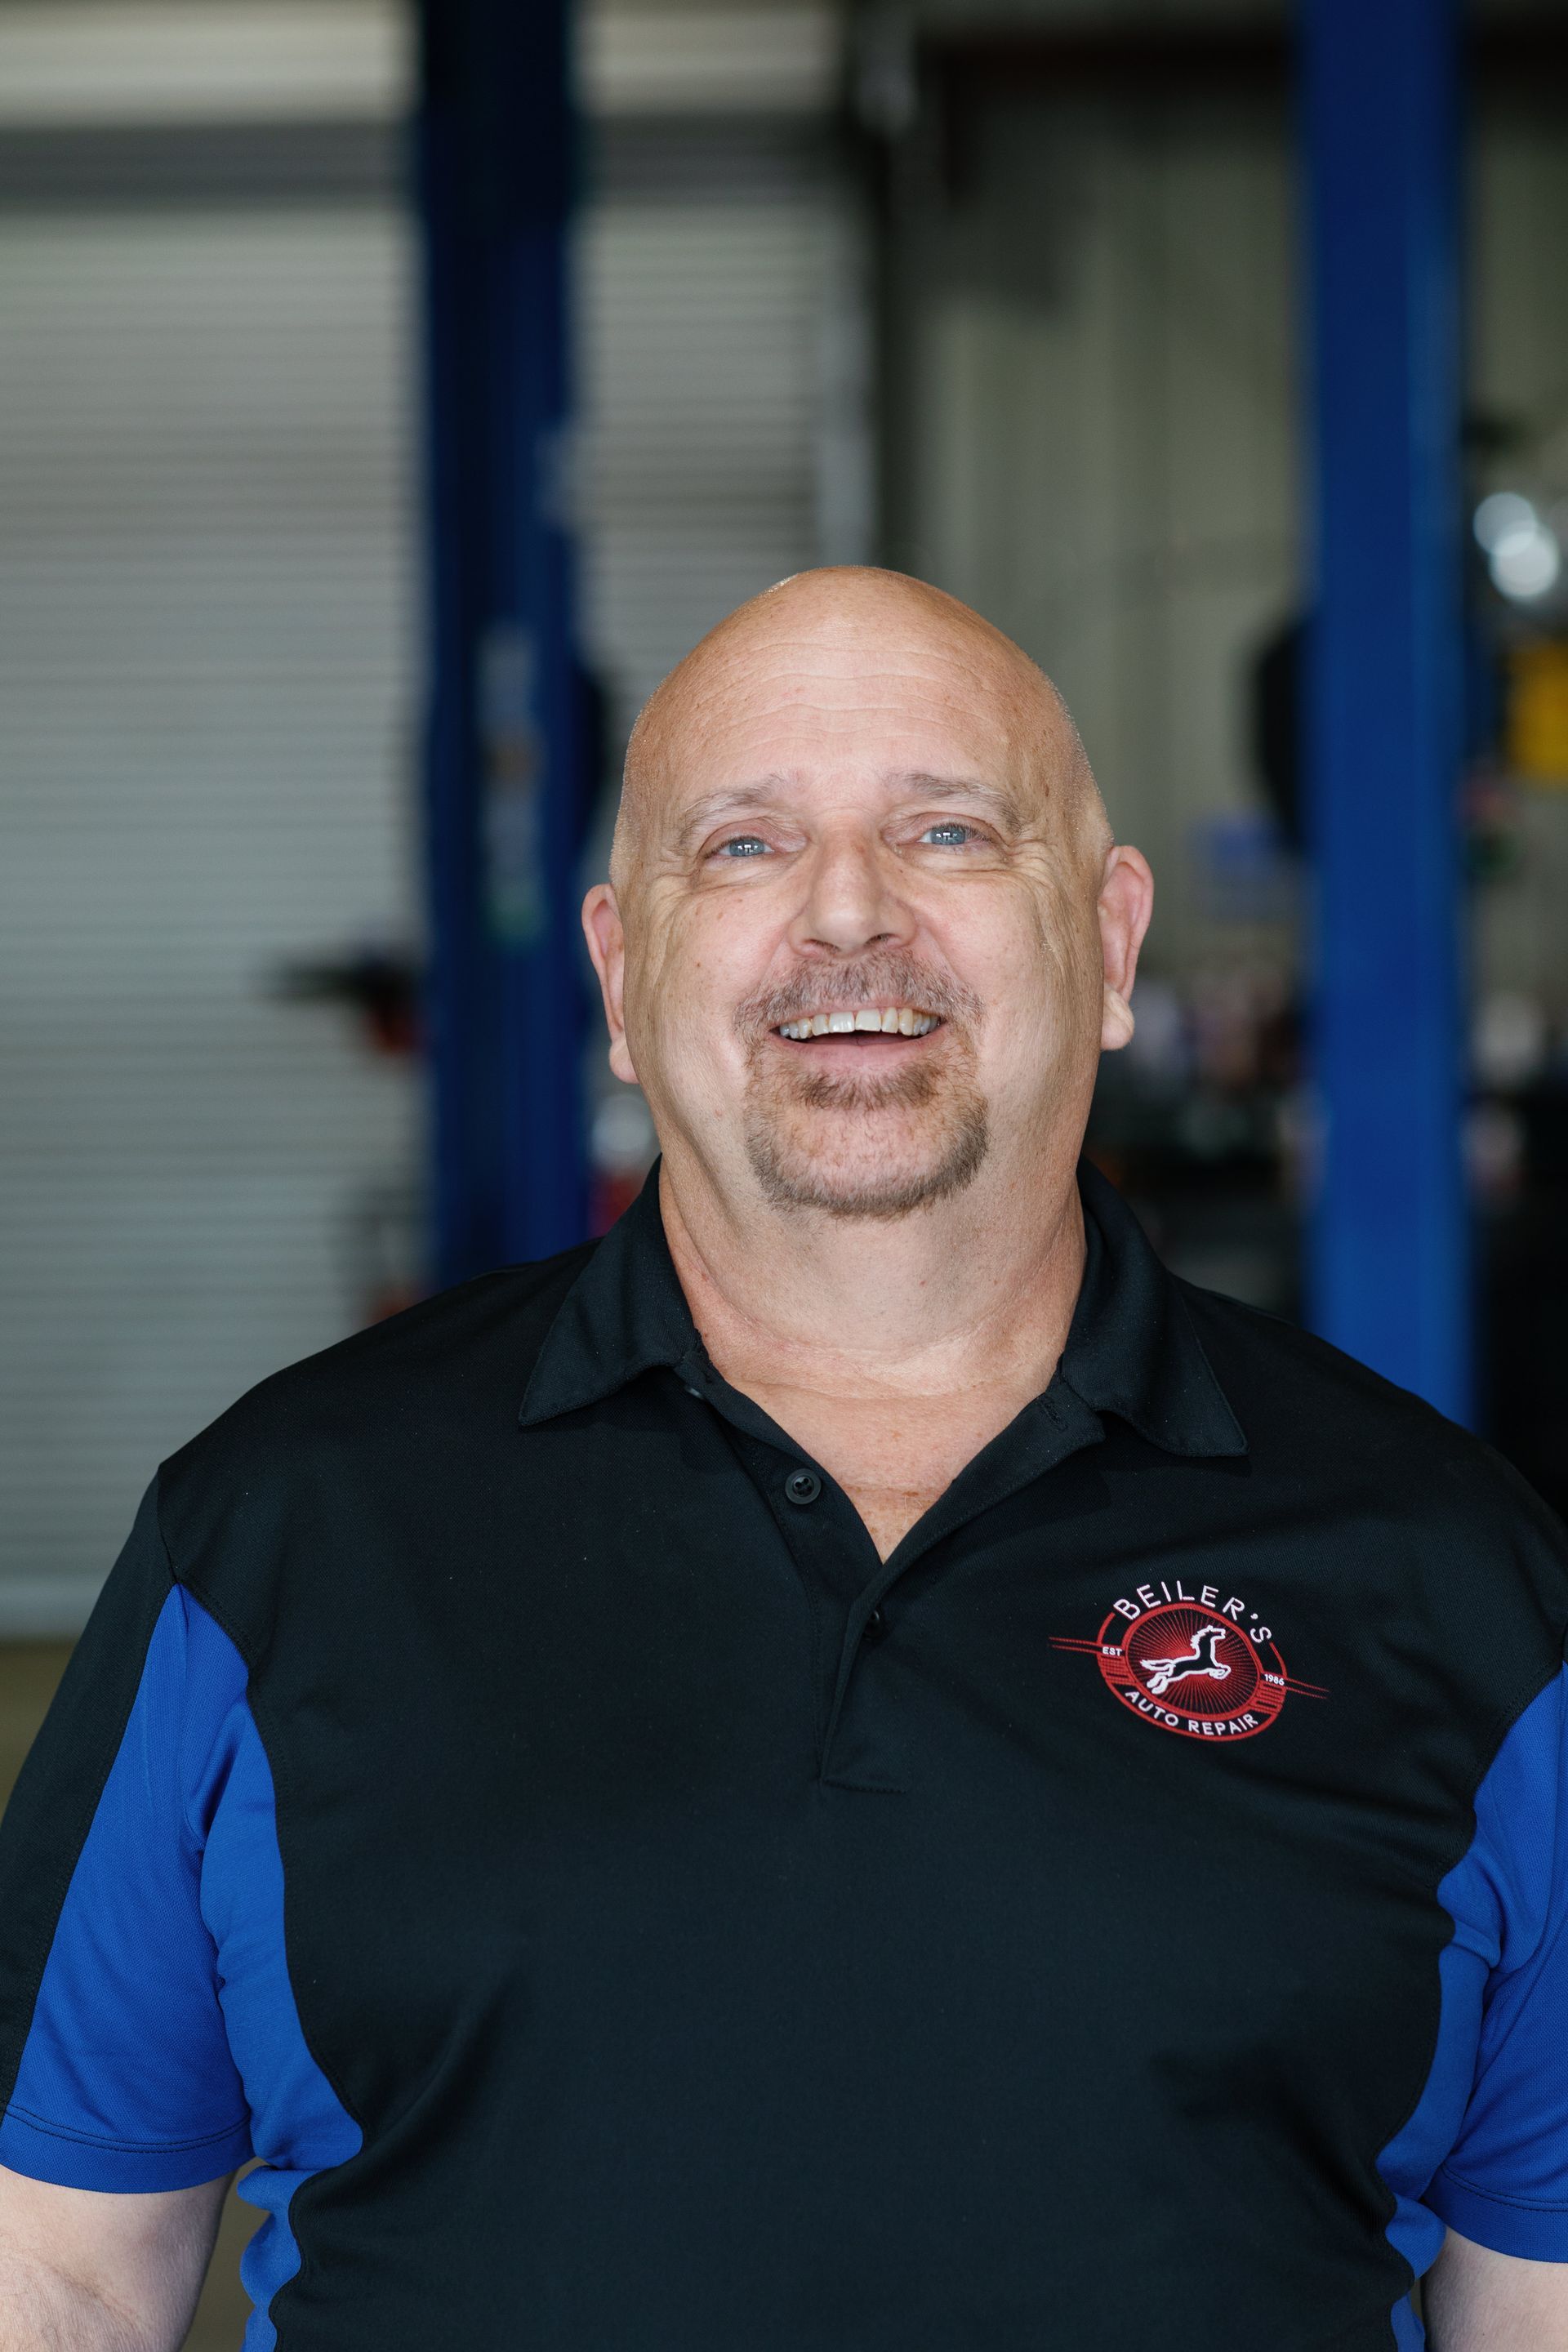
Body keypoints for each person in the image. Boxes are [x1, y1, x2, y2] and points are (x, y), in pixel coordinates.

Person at [0, 568, 1565, 2352]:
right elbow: (50, 2269)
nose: (846, 915)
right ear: (617, 967)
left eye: (950, 831)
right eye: (742, 848)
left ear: (1113, 941)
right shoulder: (282, 1530)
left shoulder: (1452, 1572)